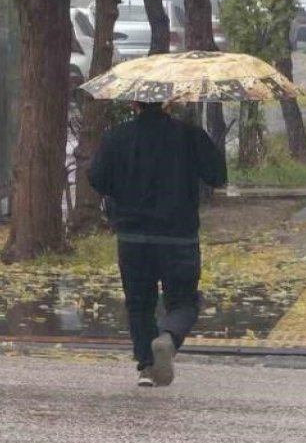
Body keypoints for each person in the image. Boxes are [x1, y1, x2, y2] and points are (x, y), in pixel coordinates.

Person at [87, 101, 227, 387]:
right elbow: (218, 177)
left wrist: (123, 191)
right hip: (179, 235)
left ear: (132, 102)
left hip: (133, 236)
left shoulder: (117, 136)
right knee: (184, 301)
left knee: (138, 303)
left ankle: (147, 368)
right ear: (168, 103)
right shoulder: (189, 135)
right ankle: (167, 336)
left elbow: (97, 177)